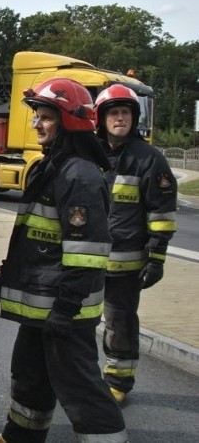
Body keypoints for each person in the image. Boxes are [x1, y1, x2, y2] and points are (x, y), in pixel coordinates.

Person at [0, 78, 128, 443]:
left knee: (80, 388)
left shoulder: (79, 174)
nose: (36, 124)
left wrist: (66, 307)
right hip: (43, 303)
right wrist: (8, 274)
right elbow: (32, 235)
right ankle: (20, 438)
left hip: (64, 307)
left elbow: (88, 252)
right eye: (37, 117)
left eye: (45, 117)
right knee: (29, 375)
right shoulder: (53, 166)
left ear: (69, 121)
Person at [94, 84, 177, 403]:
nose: (119, 118)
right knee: (77, 322)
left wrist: (156, 258)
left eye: (125, 113)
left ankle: (117, 382)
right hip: (83, 260)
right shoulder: (91, 153)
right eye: (113, 113)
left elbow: (162, 214)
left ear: (133, 117)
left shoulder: (149, 158)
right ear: (101, 118)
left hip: (125, 264)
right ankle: (82, 379)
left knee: (120, 323)